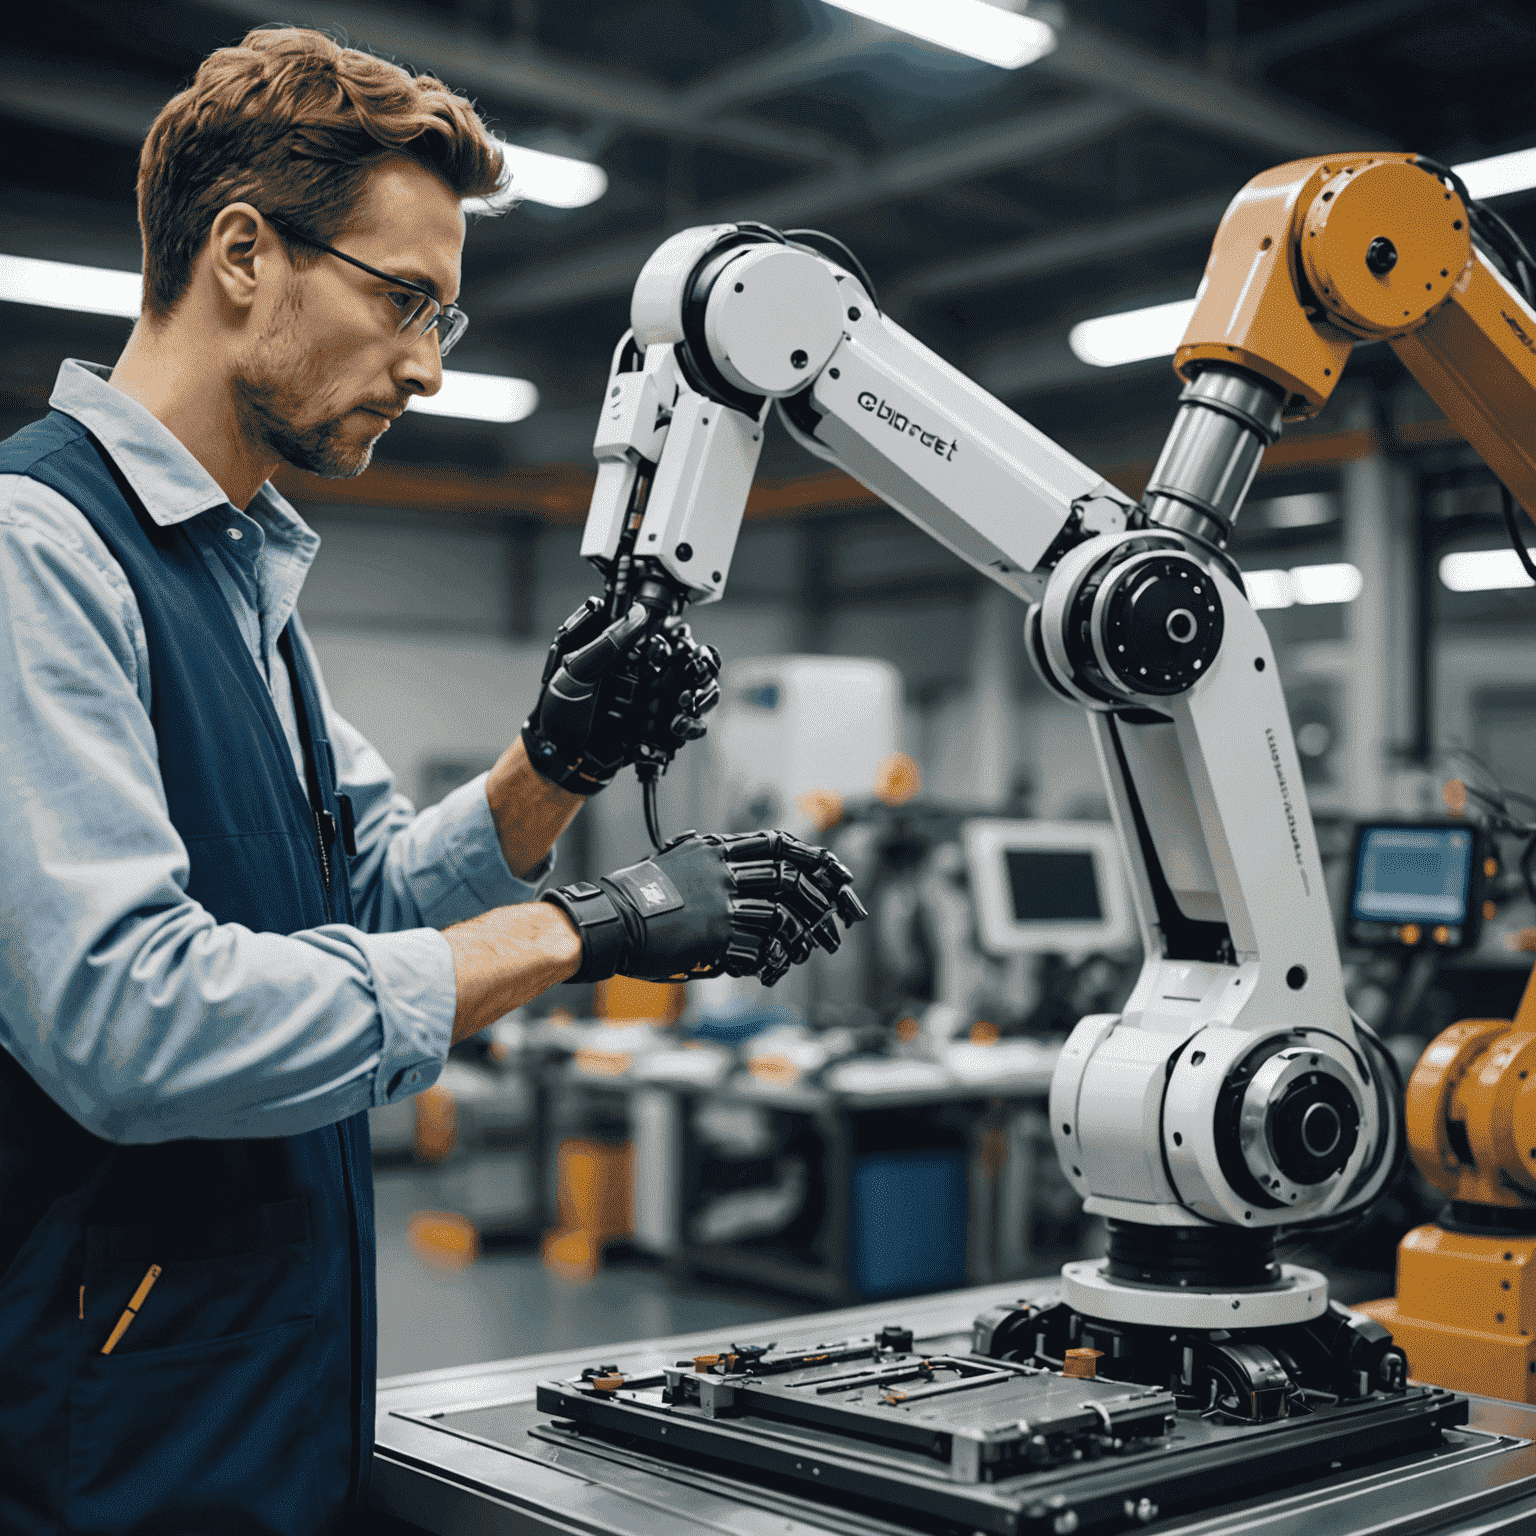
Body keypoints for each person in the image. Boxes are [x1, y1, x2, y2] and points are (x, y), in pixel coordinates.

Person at [0, 28, 862, 1536]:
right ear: (245, 253)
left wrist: (554, 766)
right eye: (405, 301)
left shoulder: (241, 584)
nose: (427, 363)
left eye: (445, 316)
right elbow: (126, 1017)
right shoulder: (40, 554)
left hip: (254, 1403)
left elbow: (360, 896)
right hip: (110, 1444)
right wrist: (586, 926)